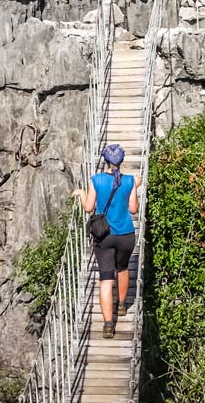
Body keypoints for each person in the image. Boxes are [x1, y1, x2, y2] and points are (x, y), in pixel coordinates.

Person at [72, 143, 139, 338]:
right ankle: (121, 305)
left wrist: (82, 194)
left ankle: (108, 324)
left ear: (105, 160)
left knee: (106, 281)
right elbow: (134, 209)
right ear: (122, 161)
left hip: (104, 237)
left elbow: (88, 207)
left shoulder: (96, 180)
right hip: (125, 234)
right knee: (123, 269)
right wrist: (136, 186)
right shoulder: (129, 181)